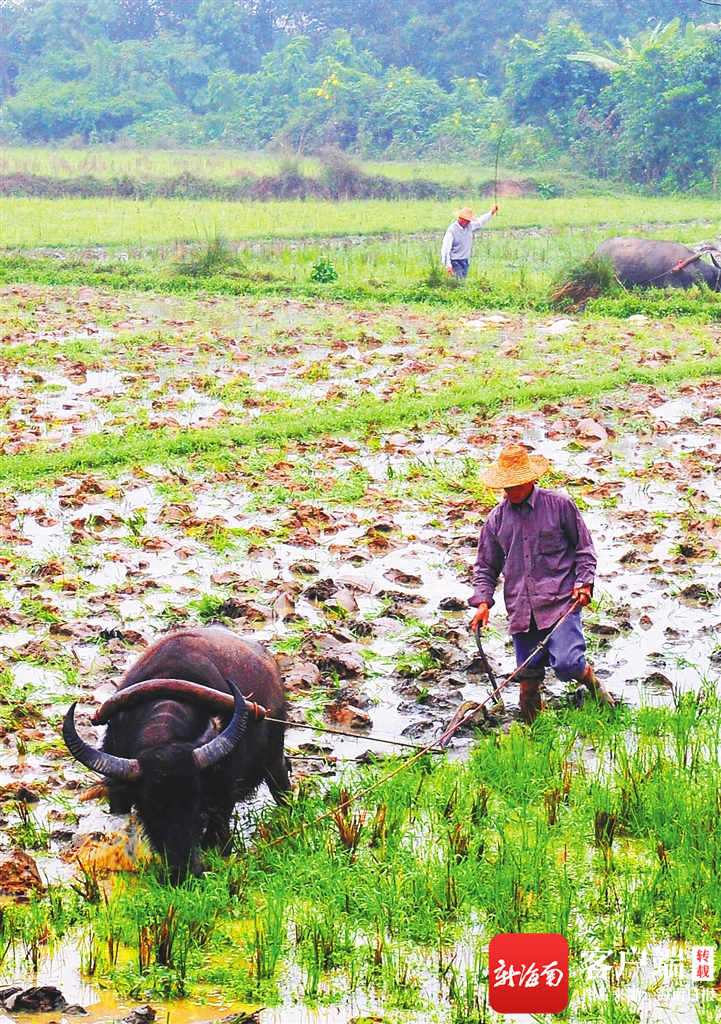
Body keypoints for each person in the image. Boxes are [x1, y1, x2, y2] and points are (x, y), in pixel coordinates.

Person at [468, 443, 614, 724]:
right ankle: (536, 732)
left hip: (560, 601)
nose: (511, 492)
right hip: (521, 608)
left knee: (568, 663)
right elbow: (486, 566)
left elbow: (584, 549)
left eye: (516, 486)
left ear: (531, 480)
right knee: (527, 674)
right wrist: (482, 602)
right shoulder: (496, 520)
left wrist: (584, 583)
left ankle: (595, 688)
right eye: (506, 487)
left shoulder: (559, 506)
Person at [441, 204, 499, 279]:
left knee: (462, 283)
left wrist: (491, 212)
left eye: (469, 220)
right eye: (466, 220)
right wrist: (448, 266)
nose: (468, 222)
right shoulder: (451, 231)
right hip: (454, 262)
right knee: (460, 283)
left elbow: (480, 222)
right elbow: (445, 250)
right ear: (460, 218)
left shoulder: (469, 225)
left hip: (465, 262)